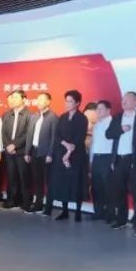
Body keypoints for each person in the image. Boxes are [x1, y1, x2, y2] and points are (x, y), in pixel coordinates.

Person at [106, 91, 136, 231]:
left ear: (135, 102)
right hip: (119, 159)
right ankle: (121, 219)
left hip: (134, 159)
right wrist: (121, 129)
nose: (123, 102)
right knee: (119, 190)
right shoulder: (117, 117)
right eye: (123, 99)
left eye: (127, 100)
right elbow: (108, 134)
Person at [50, 90, 88, 221]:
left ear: (77, 103)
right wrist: (65, 145)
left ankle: (78, 211)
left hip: (76, 155)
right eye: (66, 101)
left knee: (76, 182)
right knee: (63, 182)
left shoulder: (82, 118)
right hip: (62, 153)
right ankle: (64, 210)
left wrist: (69, 152)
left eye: (70, 101)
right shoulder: (62, 117)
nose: (67, 103)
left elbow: (80, 137)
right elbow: (57, 135)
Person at [27, 93, 59, 215]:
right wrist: (27, 152)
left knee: (48, 181)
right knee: (37, 180)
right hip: (34, 152)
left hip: (46, 154)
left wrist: (50, 154)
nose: (38, 102)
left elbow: (54, 138)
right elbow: (30, 135)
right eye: (37, 99)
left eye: (42, 99)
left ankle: (49, 207)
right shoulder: (34, 116)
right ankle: (38, 204)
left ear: (48, 102)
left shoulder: (53, 117)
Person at [2, 90, 32, 210]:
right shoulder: (6, 114)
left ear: (23, 99)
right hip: (9, 151)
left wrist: (15, 145)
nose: (13, 99)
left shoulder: (29, 115)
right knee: (11, 177)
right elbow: (3, 132)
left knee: (24, 177)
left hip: (22, 151)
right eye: (12, 97)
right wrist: (8, 146)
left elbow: (28, 133)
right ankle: (12, 200)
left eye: (16, 97)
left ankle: (26, 202)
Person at [89, 101, 115, 222]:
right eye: (97, 109)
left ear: (108, 110)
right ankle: (98, 212)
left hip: (107, 158)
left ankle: (110, 214)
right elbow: (93, 143)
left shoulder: (113, 123)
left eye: (101, 109)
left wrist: (113, 160)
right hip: (96, 158)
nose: (98, 111)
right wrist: (91, 159)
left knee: (108, 187)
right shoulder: (97, 124)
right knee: (96, 187)